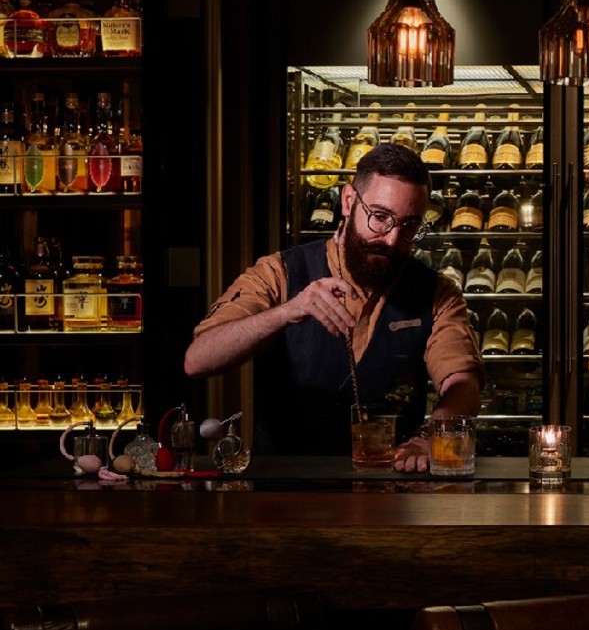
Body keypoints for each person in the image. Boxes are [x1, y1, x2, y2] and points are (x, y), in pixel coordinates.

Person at [184, 142, 482, 472]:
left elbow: (461, 382)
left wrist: (431, 434)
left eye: (409, 225)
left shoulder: (436, 291)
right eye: (380, 217)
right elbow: (199, 359)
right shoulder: (279, 273)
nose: (393, 239)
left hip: (389, 492)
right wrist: (287, 311)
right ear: (348, 201)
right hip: (283, 492)